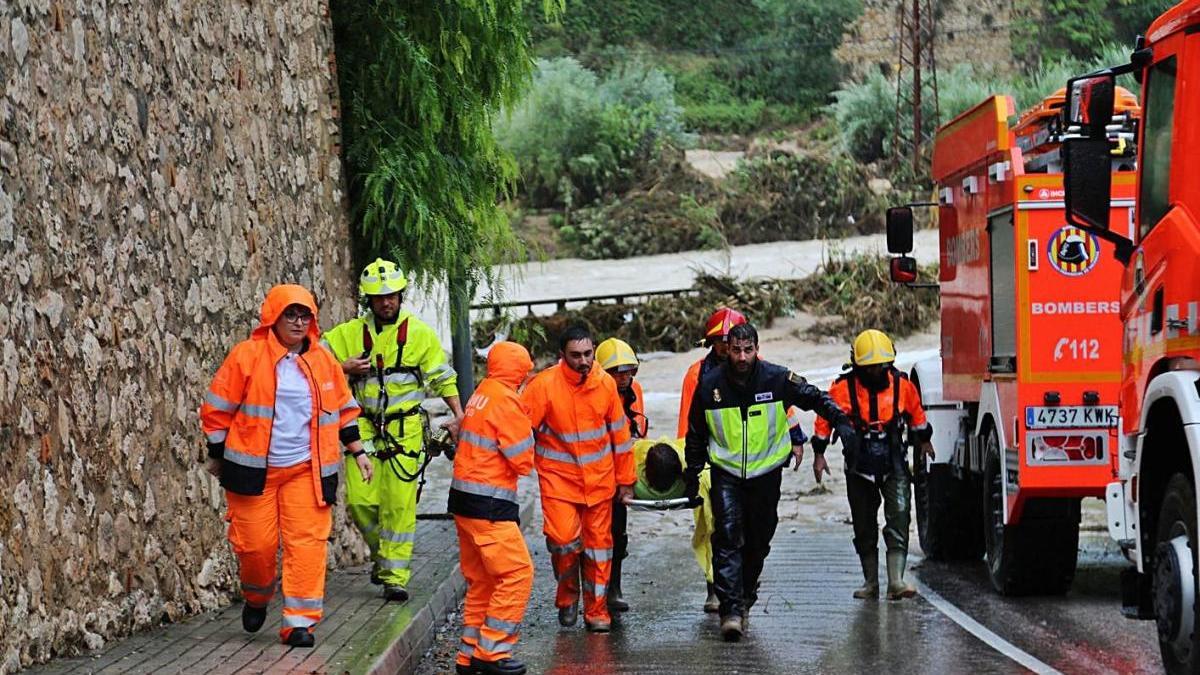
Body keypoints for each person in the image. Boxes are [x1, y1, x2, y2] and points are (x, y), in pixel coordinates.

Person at [201, 284, 372, 648]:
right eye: (290, 315)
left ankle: (299, 623)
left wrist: (359, 452)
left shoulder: (323, 361)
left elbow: (343, 410)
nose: (297, 322)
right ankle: (257, 597)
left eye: (304, 315)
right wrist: (217, 455)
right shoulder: (247, 356)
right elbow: (217, 410)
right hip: (253, 474)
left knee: (308, 545)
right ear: (273, 318)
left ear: (312, 320)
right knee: (256, 547)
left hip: (306, 472)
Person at [684, 322, 857, 642]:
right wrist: (693, 475)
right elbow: (696, 434)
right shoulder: (709, 386)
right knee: (728, 537)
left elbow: (814, 397)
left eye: (748, 350)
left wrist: (842, 422)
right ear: (727, 350)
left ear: (757, 350)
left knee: (759, 540)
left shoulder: (775, 378)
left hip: (766, 474)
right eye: (735, 350)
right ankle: (731, 610)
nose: (741, 357)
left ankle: (746, 593)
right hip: (726, 473)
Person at [321, 259, 464, 602]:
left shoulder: (419, 334)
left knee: (399, 505)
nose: (386, 302)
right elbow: (312, 363)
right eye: (379, 297)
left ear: (401, 296)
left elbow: (442, 376)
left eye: (392, 296)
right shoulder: (348, 334)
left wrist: (460, 414)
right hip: (366, 428)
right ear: (368, 301)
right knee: (360, 502)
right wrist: (343, 367)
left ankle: (394, 577)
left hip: (406, 431)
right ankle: (384, 559)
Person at [676, 307, 809, 613]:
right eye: (721, 340)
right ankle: (718, 590)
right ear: (712, 343)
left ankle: (744, 586)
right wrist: (692, 468)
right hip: (715, 463)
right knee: (718, 526)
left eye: (731, 340)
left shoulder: (761, 370)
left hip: (756, 465)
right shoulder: (697, 376)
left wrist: (797, 437)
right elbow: (689, 424)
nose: (726, 346)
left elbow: (779, 406)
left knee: (756, 530)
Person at [523, 325, 635, 633]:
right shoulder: (543, 386)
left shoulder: (605, 385)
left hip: (600, 484)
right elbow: (519, 430)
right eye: (576, 355)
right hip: (559, 483)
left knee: (600, 549)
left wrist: (626, 480)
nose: (583, 361)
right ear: (562, 356)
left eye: (588, 353)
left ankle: (596, 610)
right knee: (563, 544)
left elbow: (620, 437)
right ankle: (568, 595)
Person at [811, 329, 933, 601]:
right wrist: (819, 455)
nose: (877, 372)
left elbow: (917, 415)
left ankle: (896, 581)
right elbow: (823, 423)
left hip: (894, 462)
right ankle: (870, 582)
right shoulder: (841, 389)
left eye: (882, 366)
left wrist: (924, 442)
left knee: (899, 516)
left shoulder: (902, 386)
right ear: (858, 366)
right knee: (864, 524)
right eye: (871, 368)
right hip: (858, 465)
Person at [449, 342, 536, 675]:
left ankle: (468, 655)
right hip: (489, 504)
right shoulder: (507, 401)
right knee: (517, 574)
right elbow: (523, 460)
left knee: (483, 581)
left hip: (464, 501)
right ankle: (492, 651)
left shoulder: (482, 392)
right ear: (520, 372)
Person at [595, 337, 646, 612]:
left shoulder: (634, 391)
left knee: (617, 535)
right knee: (589, 539)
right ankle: (593, 592)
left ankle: (612, 588)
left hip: (620, 476)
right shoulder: (594, 392)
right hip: (593, 477)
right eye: (617, 371)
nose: (624, 377)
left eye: (628, 370)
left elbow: (637, 431)